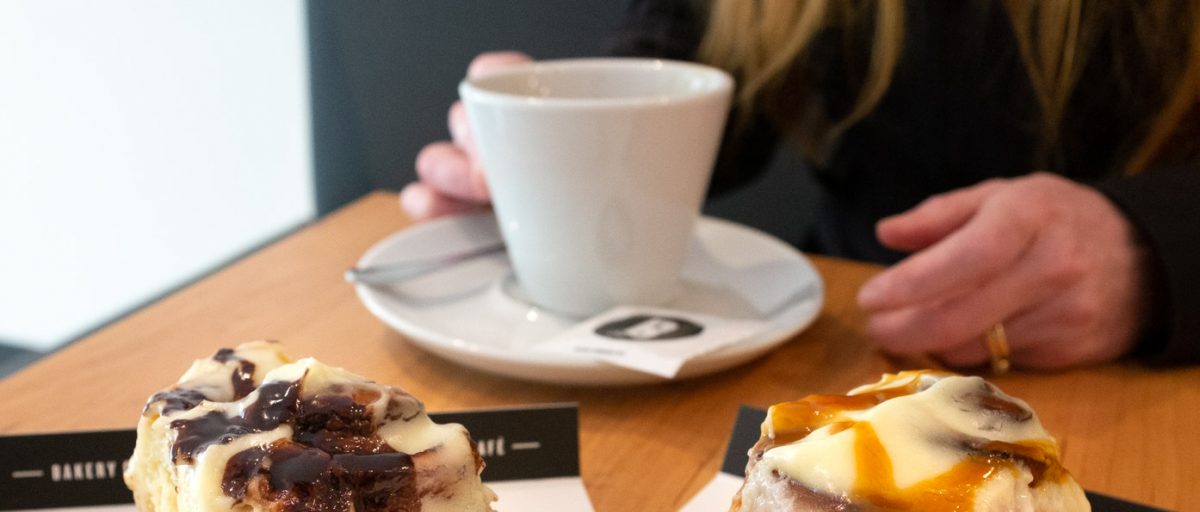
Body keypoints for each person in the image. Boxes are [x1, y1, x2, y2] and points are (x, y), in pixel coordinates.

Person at [400, 0, 1200, 370]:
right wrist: (556, 140)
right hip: (841, 346)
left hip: (1135, 375)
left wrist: (1156, 246)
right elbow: (700, 51)